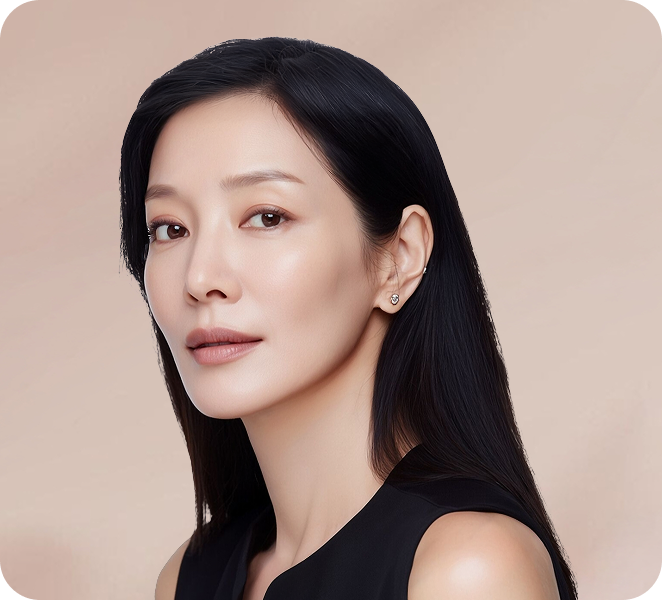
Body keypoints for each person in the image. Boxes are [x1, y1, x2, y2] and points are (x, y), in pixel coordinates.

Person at [119, 37, 577, 600]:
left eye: (267, 217)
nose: (199, 277)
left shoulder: (467, 568)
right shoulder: (188, 578)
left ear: (399, 256)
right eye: (169, 228)